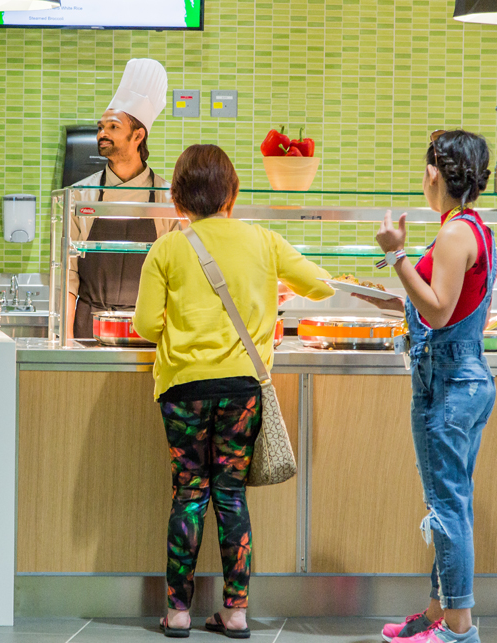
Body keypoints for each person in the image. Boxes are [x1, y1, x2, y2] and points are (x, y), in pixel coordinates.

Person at [133, 144, 333, 638]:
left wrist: (184, 333)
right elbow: (321, 286)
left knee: (189, 493)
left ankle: (178, 612)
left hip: (181, 388)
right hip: (242, 387)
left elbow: (143, 326)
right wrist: (275, 294)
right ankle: (236, 611)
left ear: (178, 200)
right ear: (232, 194)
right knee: (230, 494)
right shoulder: (264, 241)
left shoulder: (167, 248)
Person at [360, 130, 495, 643]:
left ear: (435, 173)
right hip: (463, 378)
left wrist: (396, 257)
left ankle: (457, 627)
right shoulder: (469, 228)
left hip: (448, 384)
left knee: (447, 506)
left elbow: (438, 312)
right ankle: (438, 613)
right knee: (450, 501)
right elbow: (448, 303)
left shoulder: (454, 234)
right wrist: (394, 299)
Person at [67, 58, 182, 339]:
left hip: (150, 330)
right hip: (88, 329)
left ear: (138, 135)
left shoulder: (169, 200)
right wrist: (66, 343)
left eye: (113, 127)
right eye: (100, 127)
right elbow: (68, 279)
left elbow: (178, 279)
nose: (101, 133)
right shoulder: (79, 196)